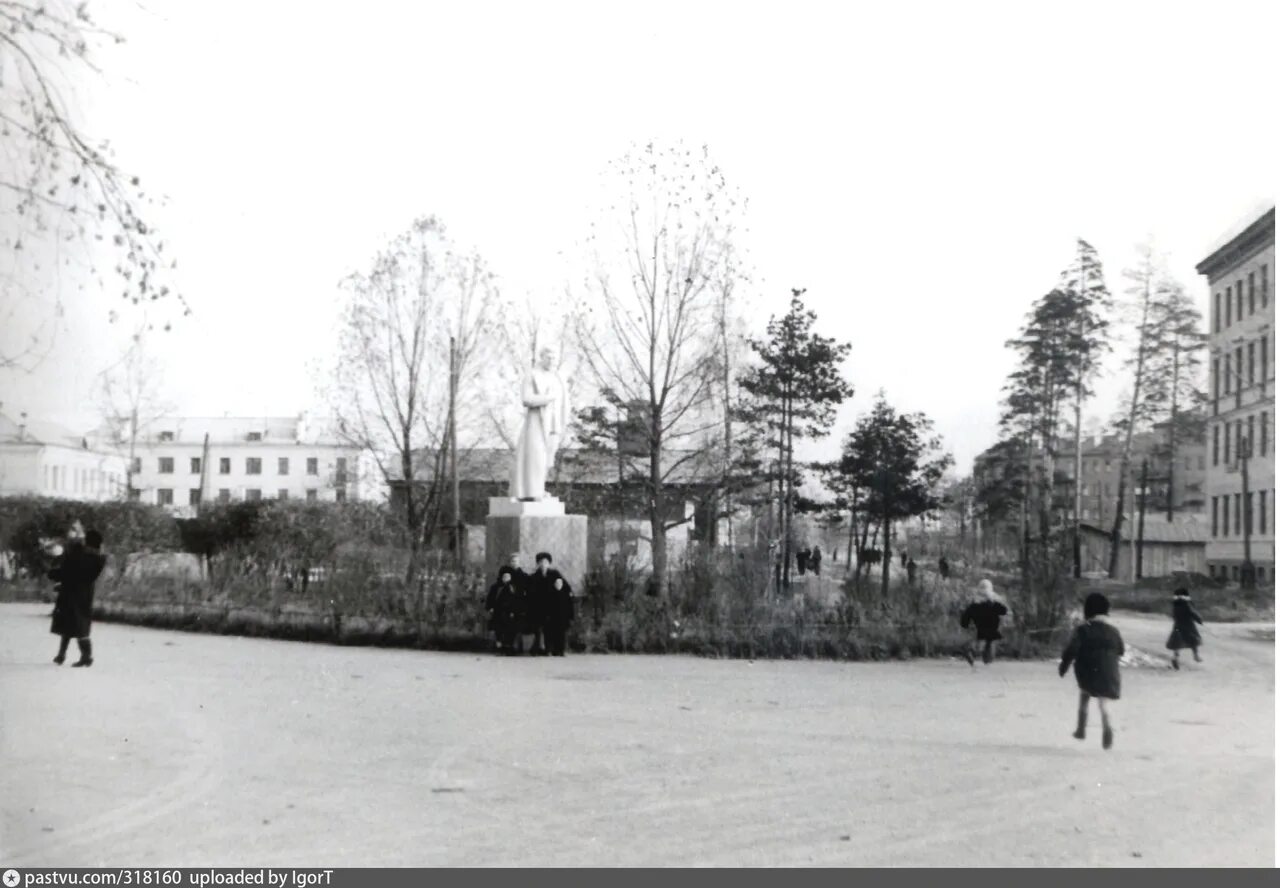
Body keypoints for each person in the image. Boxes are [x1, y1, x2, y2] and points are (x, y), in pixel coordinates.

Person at [1058, 591, 1125, 750]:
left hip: (1088, 671)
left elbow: (1072, 650)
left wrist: (1064, 666)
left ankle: (1081, 729)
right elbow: (1121, 650)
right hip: (1108, 672)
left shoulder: (1083, 630)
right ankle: (1107, 726)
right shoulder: (1113, 631)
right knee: (1103, 703)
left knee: (1084, 698)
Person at [50, 526, 107, 668]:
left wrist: (54, 574)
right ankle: (64, 655)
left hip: (71, 593)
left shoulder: (79, 556)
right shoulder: (97, 559)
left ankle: (84, 656)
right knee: (78, 624)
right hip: (85, 594)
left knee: (71, 624)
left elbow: (67, 571)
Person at [529, 552, 575, 657]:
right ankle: (546, 649)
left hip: (554, 607)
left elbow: (565, 588)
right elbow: (532, 592)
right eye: (541, 562)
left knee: (558, 629)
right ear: (538, 564)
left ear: (549, 563)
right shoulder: (535, 576)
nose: (543, 564)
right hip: (541, 607)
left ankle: (560, 650)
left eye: (545, 562)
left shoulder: (555, 574)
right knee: (545, 629)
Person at [959, 579, 1008, 666]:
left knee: (981, 638)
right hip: (991, 623)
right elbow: (1003, 611)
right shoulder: (995, 598)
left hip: (979, 621)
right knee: (989, 640)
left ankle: (971, 650)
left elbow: (967, 612)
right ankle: (985, 657)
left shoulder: (974, 599)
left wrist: (965, 623)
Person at [1166, 588, 1204, 670]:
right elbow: (1192, 613)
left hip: (1178, 626)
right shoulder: (1186, 604)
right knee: (1194, 641)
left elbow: (1173, 616)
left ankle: (1175, 657)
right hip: (1189, 626)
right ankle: (1196, 656)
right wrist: (1199, 620)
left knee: (1177, 644)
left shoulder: (1175, 605)